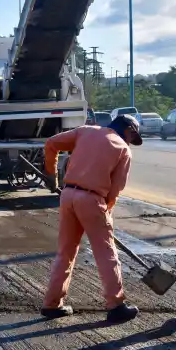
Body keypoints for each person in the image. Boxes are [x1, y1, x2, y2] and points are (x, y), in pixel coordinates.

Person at [40, 114, 143, 324]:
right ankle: (116, 305)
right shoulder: (123, 149)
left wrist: (52, 175)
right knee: (106, 253)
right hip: (92, 199)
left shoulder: (85, 131)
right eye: (133, 137)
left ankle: (52, 304)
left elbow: (51, 144)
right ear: (129, 131)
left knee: (66, 251)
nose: (131, 141)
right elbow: (115, 189)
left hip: (67, 195)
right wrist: (106, 215)